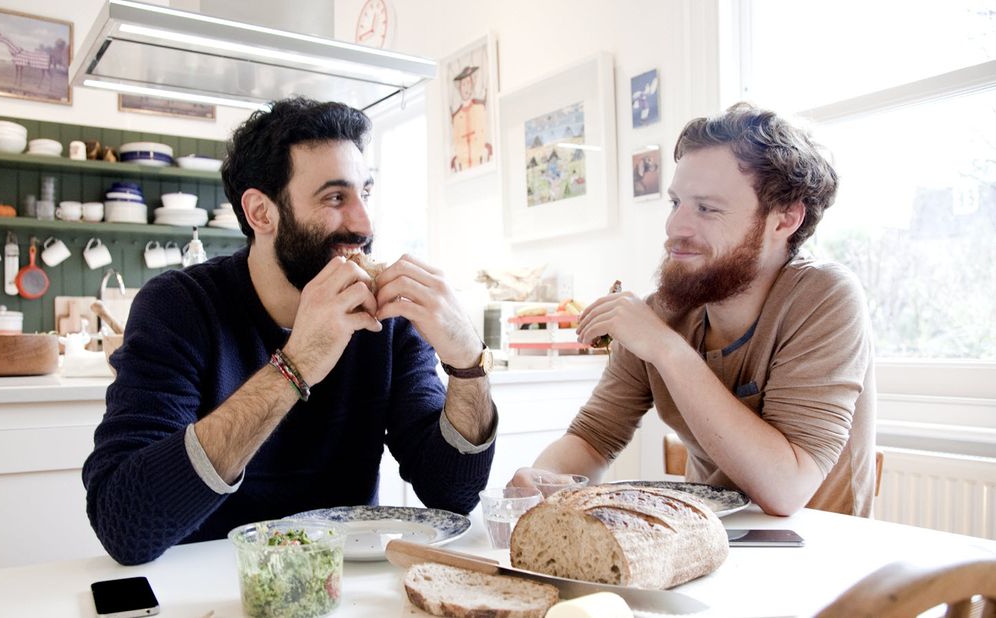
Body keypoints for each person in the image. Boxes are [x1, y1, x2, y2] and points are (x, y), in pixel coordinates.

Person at [83, 97, 497, 565]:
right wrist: (294, 366)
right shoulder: (177, 306)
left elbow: (453, 493)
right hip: (211, 586)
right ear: (261, 212)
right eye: (335, 198)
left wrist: (469, 365)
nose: (363, 224)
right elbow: (124, 524)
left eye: (365, 193)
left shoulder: (388, 319)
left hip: (346, 585)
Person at [512, 103, 876, 517]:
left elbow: (788, 488)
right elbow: (593, 438)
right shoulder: (663, 314)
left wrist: (666, 350)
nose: (675, 229)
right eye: (675, 204)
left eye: (706, 208)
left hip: (820, 553)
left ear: (785, 218)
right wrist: (543, 477)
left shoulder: (825, 297)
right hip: (706, 546)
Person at [450, 65, 492, 172]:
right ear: (459, 88)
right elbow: (455, 143)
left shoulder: (480, 108)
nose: (466, 88)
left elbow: (486, 134)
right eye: (463, 84)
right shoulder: (456, 117)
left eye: (468, 83)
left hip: (481, 163)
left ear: (472, 85)